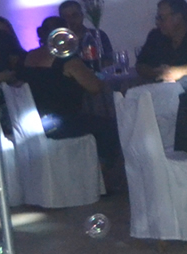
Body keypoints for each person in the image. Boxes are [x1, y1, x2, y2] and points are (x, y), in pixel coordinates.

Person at [20, 16, 121, 180]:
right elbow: (94, 87)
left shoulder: (29, 57)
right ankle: (101, 177)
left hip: (34, 123)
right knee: (109, 128)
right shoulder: (67, 60)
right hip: (60, 123)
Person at [58, 0, 113, 70]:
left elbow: (109, 61)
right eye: (66, 17)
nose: (70, 20)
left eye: (75, 15)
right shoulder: (58, 39)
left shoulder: (97, 35)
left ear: (82, 16)